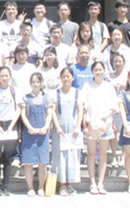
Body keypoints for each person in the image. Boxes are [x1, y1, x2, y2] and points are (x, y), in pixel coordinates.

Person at [82, 61, 119, 195]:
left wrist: (104, 118)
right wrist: (85, 125)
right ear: (92, 72)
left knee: (103, 153)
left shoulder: (109, 87)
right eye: (96, 70)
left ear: (104, 71)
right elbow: (83, 107)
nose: (98, 72)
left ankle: (101, 183)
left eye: (100, 70)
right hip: (91, 124)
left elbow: (114, 107)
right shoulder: (87, 86)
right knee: (91, 153)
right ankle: (92, 182)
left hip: (105, 124)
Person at [0, 66, 21, 196]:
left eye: (7, 76)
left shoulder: (14, 91)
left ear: (10, 77)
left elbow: (18, 109)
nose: (4, 78)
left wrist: (11, 126)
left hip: (11, 124)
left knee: (8, 156)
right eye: (2, 76)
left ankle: (6, 185)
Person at [51, 67, 83, 196]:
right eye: (63, 76)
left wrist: (78, 127)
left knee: (73, 156)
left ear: (72, 78)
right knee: (60, 156)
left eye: (68, 76)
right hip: (60, 130)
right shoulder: (56, 93)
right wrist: (57, 127)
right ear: (60, 78)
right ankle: (62, 185)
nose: (66, 79)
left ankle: (71, 184)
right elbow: (53, 111)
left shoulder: (78, 93)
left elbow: (80, 110)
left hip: (73, 129)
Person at [20, 71, 53, 197]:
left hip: (43, 132)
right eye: (33, 82)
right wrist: (29, 127)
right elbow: (23, 114)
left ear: (41, 83)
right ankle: (30, 187)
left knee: (42, 162)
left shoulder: (47, 97)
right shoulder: (26, 97)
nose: (35, 84)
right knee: (28, 161)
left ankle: (40, 187)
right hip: (29, 133)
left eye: (38, 82)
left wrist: (46, 127)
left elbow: (49, 114)